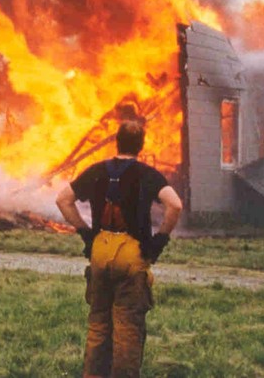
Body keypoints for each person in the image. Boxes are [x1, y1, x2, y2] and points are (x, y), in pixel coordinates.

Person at [55, 120, 182, 378]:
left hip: (100, 250)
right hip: (131, 253)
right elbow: (175, 205)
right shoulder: (147, 174)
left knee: (98, 324)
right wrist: (160, 239)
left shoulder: (97, 171)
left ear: (117, 142)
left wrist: (84, 231)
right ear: (140, 145)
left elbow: (63, 200)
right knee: (127, 328)